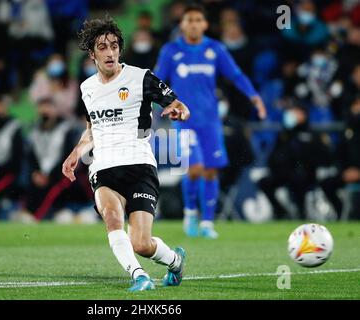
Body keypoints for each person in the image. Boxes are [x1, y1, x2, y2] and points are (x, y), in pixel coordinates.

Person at [62, 17, 190, 292]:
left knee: (141, 244)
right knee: (111, 217)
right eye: (102, 47)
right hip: (104, 167)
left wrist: (179, 111)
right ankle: (139, 276)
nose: (110, 52)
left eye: (114, 46)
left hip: (140, 166)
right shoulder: (87, 88)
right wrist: (76, 152)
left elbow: (179, 104)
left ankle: (175, 261)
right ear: (92, 53)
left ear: (120, 49)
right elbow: (92, 129)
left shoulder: (140, 77)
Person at [154, 4, 266, 238]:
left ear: (205, 24)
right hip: (184, 120)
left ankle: (207, 223)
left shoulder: (215, 49)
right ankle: (190, 212)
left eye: (198, 20)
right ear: (182, 24)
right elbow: (156, 81)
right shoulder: (171, 50)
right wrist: (159, 104)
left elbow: (235, 75)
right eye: (189, 20)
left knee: (211, 171)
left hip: (211, 121)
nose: (193, 24)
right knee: (194, 168)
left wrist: (254, 97)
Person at [257, 102, 332, 220]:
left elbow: (324, 157)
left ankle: (302, 213)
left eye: (295, 112)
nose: (291, 115)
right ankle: (280, 211)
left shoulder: (312, 135)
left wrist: (308, 165)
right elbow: (273, 156)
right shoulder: (284, 133)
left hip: (306, 174)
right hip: (285, 172)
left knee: (298, 180)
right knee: (264, 182)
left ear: (304, 115)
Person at [320, 97, 360, 220]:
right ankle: (340, 212)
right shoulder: (348, 131)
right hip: (348, 172)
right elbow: (340, 155)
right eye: (356, 104)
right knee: (327, 183)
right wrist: (344, 171)